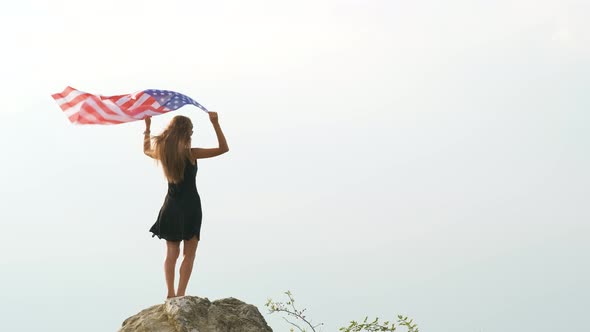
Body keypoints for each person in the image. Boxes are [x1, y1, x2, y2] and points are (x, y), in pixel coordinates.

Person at [143, 112, 229, 299]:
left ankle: (170, 293)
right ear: (187, 133)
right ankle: (181, 294)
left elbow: (146, 150)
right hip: (190, 206)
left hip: (171, 206)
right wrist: (215, 123)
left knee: (171, 253)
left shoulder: (164, 154)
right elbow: (224, 148)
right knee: (189, 254)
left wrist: (148, 129)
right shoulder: (191, 154)